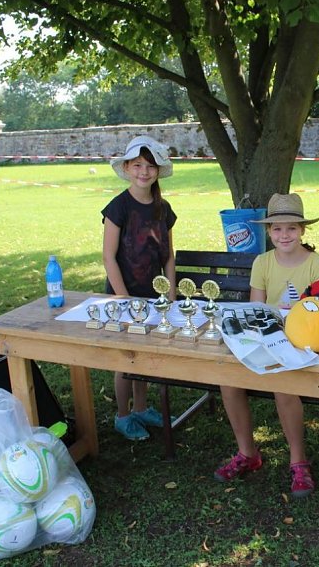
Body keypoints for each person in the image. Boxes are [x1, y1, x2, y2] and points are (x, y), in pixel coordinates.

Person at [214, 193, 319, 497]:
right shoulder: (262, 261)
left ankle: (298, 461)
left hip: (303, 341)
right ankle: (247, 453)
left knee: (283, 385)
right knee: (228, 381)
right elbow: (256, 308)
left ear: (303, 230)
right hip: (267, 336)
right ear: (268, 232)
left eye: (291, 228)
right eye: (277, 229)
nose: (284, 235)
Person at [102, 135, 177, 441]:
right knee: (126, 357)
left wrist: (170, 293)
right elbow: (108, 256)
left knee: (146, 354)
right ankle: (122, 414)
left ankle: (143, 408)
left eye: (150, 166)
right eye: (137, 165)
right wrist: (122, 298)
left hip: (154, 295)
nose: (144, 172)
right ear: (127, 168)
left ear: (158, 170)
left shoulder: (164, 208)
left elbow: (169, 255)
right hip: (124, 294)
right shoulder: (118, 207)